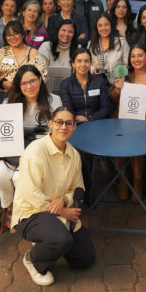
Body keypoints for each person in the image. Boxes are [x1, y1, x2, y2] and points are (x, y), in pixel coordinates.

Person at [12, 107, 95, 286]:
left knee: (85, 259)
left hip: (60, 209)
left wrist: (64, 200)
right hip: (32, 212)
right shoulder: (35, 151)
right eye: (59, 122)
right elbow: (29, 192)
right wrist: (63, 212)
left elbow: (78, 188)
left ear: (74, 127)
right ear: (50, 124)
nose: (63, 127)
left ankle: (50, 242)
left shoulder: (74, 154)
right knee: (61, 240)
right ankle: (33, 260)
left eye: (69, 123)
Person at [0, 65, 62, 217]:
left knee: (19, 177)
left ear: (40, 80)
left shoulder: (54, 101)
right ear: (18, 86)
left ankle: (25, 211)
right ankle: (11, 206)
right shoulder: (8, 102)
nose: (29, 86)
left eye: (32, 81)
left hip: (39, 157)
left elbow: (59, 132)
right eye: (24, 83)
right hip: (11, 155)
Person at [109, 45, 146, 201]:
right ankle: (122, 180)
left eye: (140, 55)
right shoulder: (125, 77)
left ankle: (137, 181)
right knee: (119, 138)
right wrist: (117, 90)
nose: (136, 59)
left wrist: (145, 122)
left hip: (144, 124)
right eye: (133, 56)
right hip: (121, 121)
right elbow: (111, 99)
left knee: (138, 140)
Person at [60, 49, 112, 199]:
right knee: (82, 154)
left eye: (86, 61)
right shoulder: (66, 84)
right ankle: (83, 191)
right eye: (79, 61)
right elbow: (67, 107)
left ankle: (87, 192)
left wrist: (89, 118)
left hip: (96, 124)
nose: (83, 64)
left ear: (90, 63)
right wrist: (76, 118)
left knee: (88, 154)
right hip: (75, 126)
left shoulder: (99, 82)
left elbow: (106, 108)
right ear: (73, 64)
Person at [0, 21, 49, 103]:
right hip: (1, 95)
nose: (13, 37)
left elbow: (43, 77)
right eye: (9, 35)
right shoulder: (1, 52)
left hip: (26, 95)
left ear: (23, 34)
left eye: (16, 33)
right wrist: (2, 83)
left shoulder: (33, 53)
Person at [88, 13, 130, 77]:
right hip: (96, 81)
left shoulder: (122, 43)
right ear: (96, 28)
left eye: (106, 25)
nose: (104, 28)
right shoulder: (91, 44)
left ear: (111, 25)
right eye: (100, 25)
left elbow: (127, 65)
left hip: (117, 81)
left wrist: (119, 78)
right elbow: (88, 64)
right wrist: (93, 69)